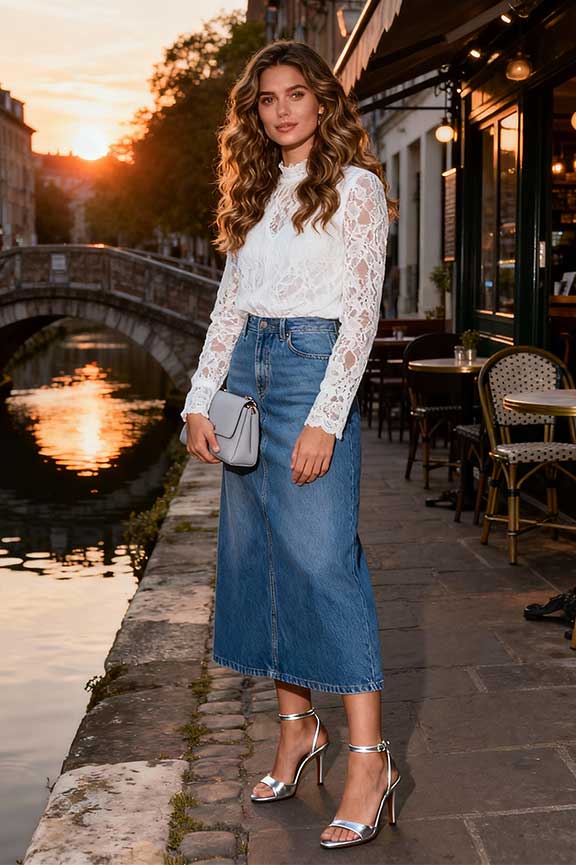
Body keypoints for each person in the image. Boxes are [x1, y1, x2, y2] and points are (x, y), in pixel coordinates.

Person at [181, 39, 400, 850]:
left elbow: (362, 312)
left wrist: (325, 416)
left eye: (295, 94)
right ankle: (297, 728)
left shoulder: (357, 187)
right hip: (247, 374)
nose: (281, 110)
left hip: (312, 369)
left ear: (322, 100)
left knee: (323, 559)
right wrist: (199, 399)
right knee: (260, 555)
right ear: (255, 111)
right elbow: (229, 305)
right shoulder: (252, 188)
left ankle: (369, 760)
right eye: (267, 98)